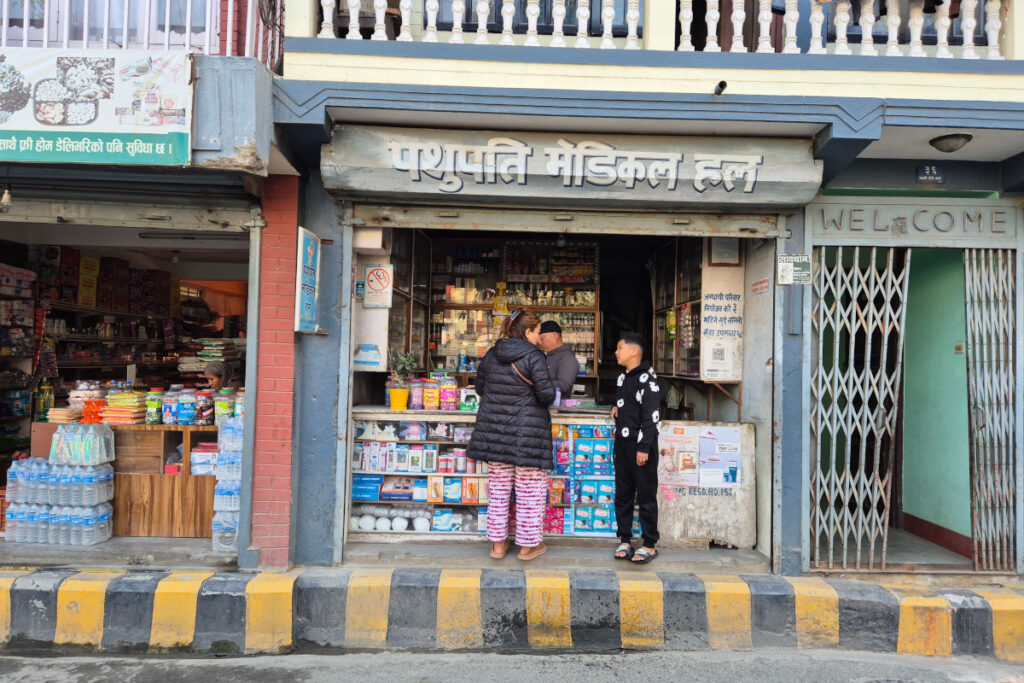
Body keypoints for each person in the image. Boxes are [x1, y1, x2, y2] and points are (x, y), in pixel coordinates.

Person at [467, 308, 557, 561]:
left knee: (498, 491)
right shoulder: (535, 357)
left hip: (495, 434)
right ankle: (528, 548)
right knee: (529, 492)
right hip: (527, 436)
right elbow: (546, 395)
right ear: (527, 332)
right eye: (538, 332)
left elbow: (480, 389)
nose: (540, 337)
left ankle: (497, 546)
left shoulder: (491, 355)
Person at [610, 332, 663, 565]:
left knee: (646, 495)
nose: (616, 351)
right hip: (621, 445)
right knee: (623, 493)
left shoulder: (648, 380)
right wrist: (615, 406)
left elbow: (651, 418)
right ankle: (625, 539)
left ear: (634, 351)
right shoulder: (623, 378)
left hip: (641, 447)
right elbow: (626, 403)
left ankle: (650, 544)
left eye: (620, 347)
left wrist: (644, 446)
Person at [538, 320, 580, 401]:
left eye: (542, 338)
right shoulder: (548, 356)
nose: (539, 342)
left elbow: (563, 385)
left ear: (555, 335)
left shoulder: (567, 358)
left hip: (556, 407)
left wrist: (536, 385)